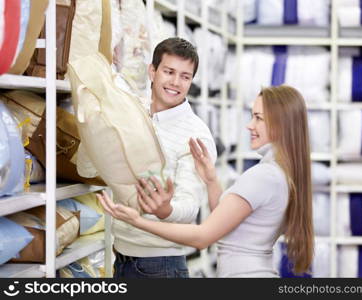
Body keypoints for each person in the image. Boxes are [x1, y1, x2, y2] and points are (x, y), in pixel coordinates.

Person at [98, 85, 313, 277]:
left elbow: (203, 237)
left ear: (280, 124)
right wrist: (211, 180)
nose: (249, 125)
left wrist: (138, 221)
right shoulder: (281, 173)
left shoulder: (263, 176)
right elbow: (226, 223)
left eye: (258, 118)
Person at [109, 37, 217, 278]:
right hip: (122, 258)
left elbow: (190, 206)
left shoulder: (196, 135)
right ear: (152, 71)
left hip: (161, 266)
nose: (176, 82)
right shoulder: (135, 115)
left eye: (185, 76)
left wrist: (165, 209)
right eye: (169, 72)